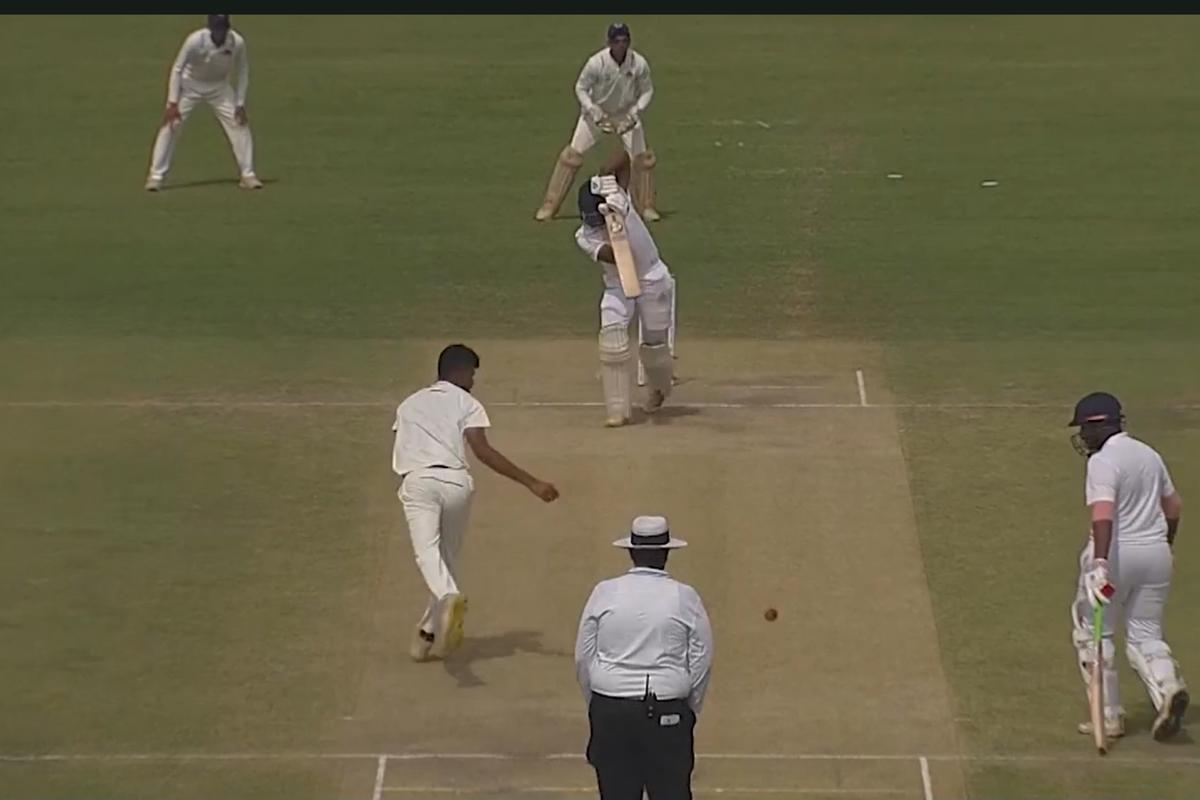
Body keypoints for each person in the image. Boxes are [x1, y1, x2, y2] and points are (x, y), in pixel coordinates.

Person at [392, 344, 559, 661]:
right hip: (456, 483)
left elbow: (405, 447)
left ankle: (449, 596)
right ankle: (427, 631)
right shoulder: (467, 402)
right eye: (471, 373)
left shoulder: (408, 405)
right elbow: (483, 452)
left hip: (418, 482)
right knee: (447, 558)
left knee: (427, 553)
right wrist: (532, 482)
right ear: (457, 371)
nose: (473, 380)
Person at [1069, 391, 1188, 741]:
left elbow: (1103, 514)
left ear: (1097, 425)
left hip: (1117, 557)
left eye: (1084, 430)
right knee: (1146, 633)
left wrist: (1100, 563)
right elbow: (1174, 507)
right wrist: (1165, 546)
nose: (1083, 438)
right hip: (1156, 555)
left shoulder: (1103, 462)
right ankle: (1168, 689)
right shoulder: (1149, 454)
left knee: (1092, 635)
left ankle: (1109, 718)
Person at [575, 515, 713, 799]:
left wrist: (599, 704)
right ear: (666, 553)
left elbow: (584, 656)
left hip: (610, 710)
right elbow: (701, 656)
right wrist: (688, 705)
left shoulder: (605, 592)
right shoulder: (684, 596)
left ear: (631, 552)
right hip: (666, 709)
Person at [574, 152, 676, 427]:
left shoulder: (618, 198)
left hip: (652, 276)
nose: (594, 226)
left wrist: (605, 180)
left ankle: (659, 390)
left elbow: (622, 157)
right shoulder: (585, 237)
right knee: (612, 340)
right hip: (619, 284)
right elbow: (616, 256)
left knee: (654, 344)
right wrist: (613, 228)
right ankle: (618, 410)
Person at [534, 22, 660, 223]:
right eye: (617, 41)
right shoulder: (596, 63)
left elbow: (647, 90)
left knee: (643, 159)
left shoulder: (638, 63)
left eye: (625, 41)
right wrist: (594, 111)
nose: (621, 45)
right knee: (571, 157)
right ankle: (549, 206)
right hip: (596, 115)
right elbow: (581, 88)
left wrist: (635, 113)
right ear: (609, 42)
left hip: (626, 114)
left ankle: (646, 207)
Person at [145, 15, 262, 191]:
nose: (220, 34)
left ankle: (248, 174)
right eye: (217, 29)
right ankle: (156, 176)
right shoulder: (195, 40)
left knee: (239, 124)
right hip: (191, 85)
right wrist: (172, 103)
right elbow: (177, 68)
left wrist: (240, 103)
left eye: (223, 29)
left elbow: (243, 71)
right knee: (171, 125)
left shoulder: (236, 42)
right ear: (210, 28)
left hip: (219, 87)